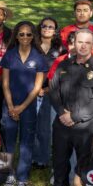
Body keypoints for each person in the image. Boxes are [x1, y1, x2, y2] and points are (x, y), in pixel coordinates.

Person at [45, 29, 93, 186]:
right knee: (59, 158)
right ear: (74, 43)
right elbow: (53, 90)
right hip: (61, 122)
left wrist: (73, 117)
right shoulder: (64, 65)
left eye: (87, 43)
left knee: (84, 162)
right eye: (80, 42)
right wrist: (61, 112)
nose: (83, 46)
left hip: (85, 126)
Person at [0, 21, 47, 186]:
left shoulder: (39, 58)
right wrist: (11, 107)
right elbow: (4, 84)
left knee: (26, 142)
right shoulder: (9, 55)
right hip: (9, 106)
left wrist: (21, 107)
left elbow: (37, 87)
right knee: (8, 141)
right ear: (16, 36)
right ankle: (6, 173)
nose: (25, 37)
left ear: (33, 36)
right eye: (21, 34)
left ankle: (22, 176)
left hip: (28, 107)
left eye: (28, 34)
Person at [33, 17, 62, 168]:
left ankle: (42, 159)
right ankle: (31, 155)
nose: (47, 29)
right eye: (44, 26)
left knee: (45, 127)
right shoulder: (32, 46)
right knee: (31, 125)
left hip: (49, 92)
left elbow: (63, 74)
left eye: (51, 27)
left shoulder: (60, 49)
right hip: (31, 91)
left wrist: (46, 89)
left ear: (55, 30)